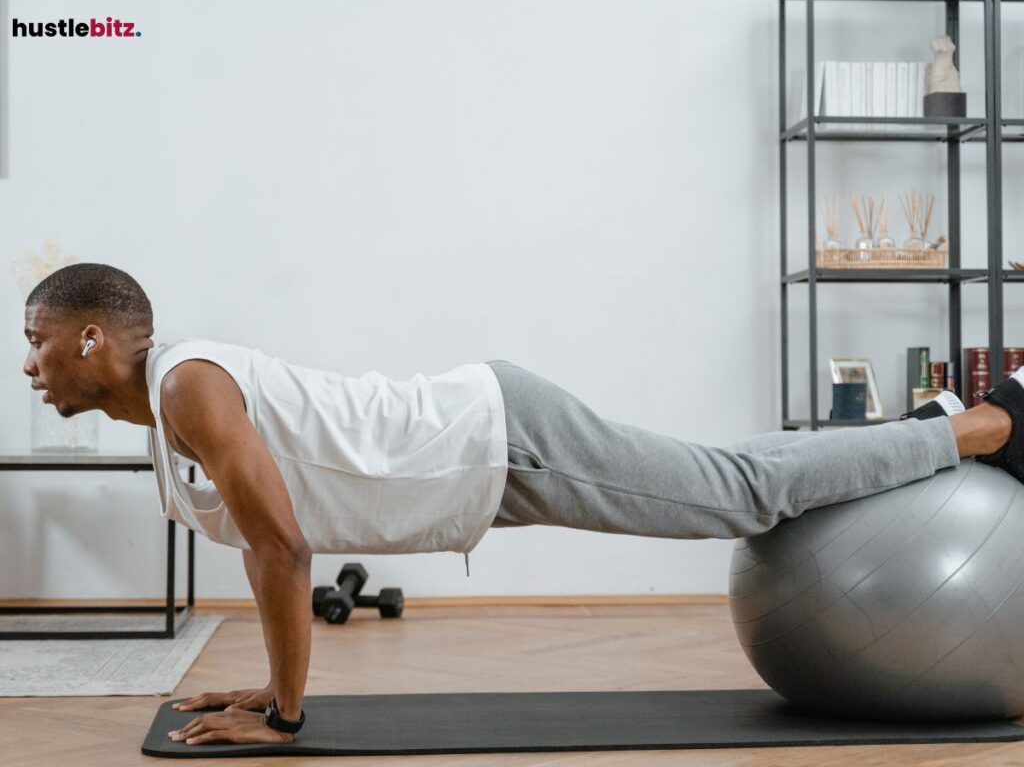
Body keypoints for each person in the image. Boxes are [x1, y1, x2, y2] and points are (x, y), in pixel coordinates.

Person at [20, 263, 1023, 747]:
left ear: (94, 343)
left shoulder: (189, 387)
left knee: (741, 495)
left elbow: (282, 546)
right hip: (482, 461)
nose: (29, 364)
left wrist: (285, 717)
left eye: (39, 337)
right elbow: (263, 542)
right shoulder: (171, 411)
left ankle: (981, 428)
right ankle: (938, 424)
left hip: (500, 442)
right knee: (730, 474)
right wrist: (263, 687)